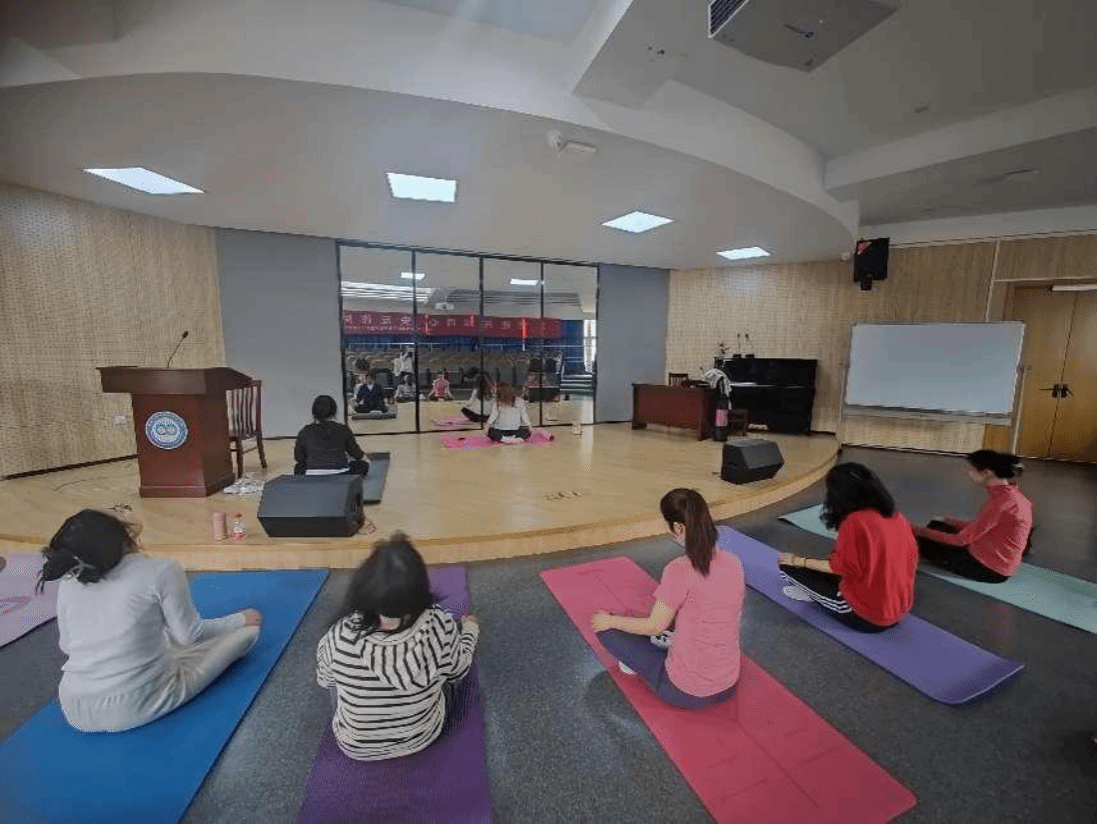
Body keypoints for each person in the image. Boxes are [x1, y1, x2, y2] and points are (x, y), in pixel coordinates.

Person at [38, 507, 262, 733]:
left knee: (161, 639)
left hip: (74, 708)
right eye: (117, 511)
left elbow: (67, 645)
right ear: (117, 535)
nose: (122, 512)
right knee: (248, 635)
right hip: (135, 702)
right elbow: (191, 636)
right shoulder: (161, 570)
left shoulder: (70, 580)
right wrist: (239, 620)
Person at [316, 533, 480, 761]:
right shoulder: (439, 625)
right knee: (446, 674)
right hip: (422, 737)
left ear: (363, 585)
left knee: (337, 679)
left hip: (355, 746)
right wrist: (470, 631)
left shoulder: (339, 635)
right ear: (420, 589)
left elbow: (325, 681)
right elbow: (459, 671)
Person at [591, 489, 744, 710]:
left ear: (678, 527)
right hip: (728, 683)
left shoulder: (679, 570)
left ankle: (639, 660)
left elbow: (655, 626)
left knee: (606, 629)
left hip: (686, 691)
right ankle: (669, 643)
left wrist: (609, 621)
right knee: (658, 619)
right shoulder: (734, 562)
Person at [777, 463, 918, 632]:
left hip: (866, 617)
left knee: (786, 568)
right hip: (900, 609)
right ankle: (816, 592)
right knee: (818, 570)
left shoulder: (855, 522)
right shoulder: (897, 517)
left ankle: (815, 595)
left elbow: (839, 567)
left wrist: (797, 560)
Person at [912, 450, 1033, 583]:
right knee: (937, 525)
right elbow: (982, 526)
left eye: (971, 470)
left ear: (987, 473)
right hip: (995, 558)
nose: (968, 473)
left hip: (989, 569)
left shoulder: (1000, 503)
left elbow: (960, 540)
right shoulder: (1012, 496)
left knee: (922, 540)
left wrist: (915, 529)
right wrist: (949, 521)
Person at [294, 395, 370, 476]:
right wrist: (366, 460)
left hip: (312, 474)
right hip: (341, 473)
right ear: (334, 411)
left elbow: (299, 458)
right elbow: (355, 452)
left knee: (298, 467)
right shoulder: (343, 429)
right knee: (362, 465)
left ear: (314, 412)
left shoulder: (305, 431)